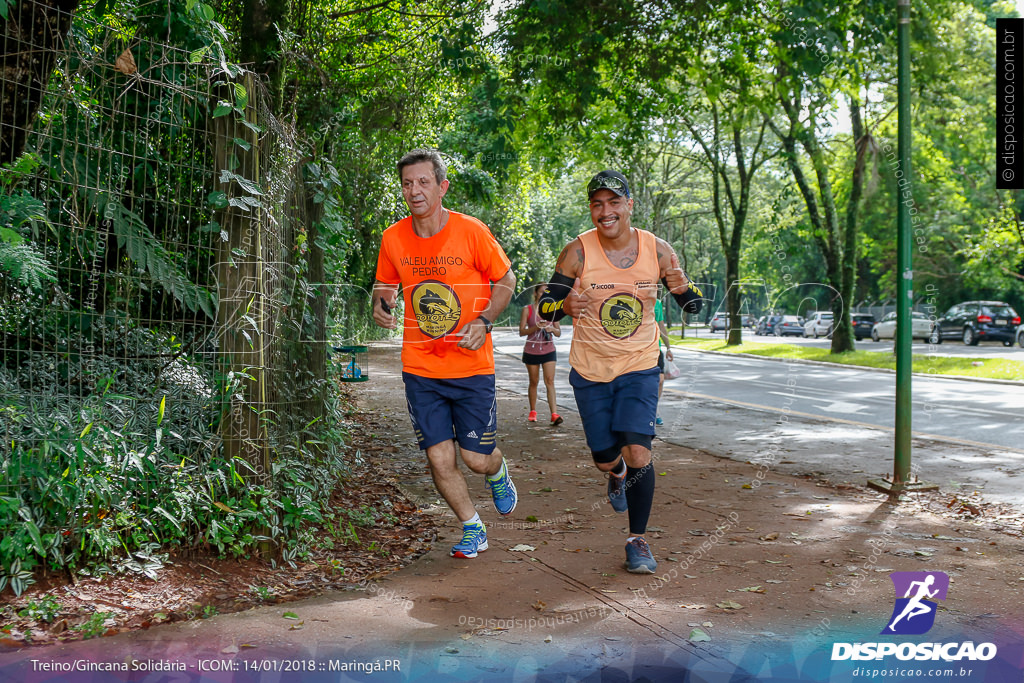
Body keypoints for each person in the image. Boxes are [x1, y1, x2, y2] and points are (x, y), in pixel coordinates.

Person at [537, 170, 703, 574]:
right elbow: (545, 308)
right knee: (604, 457)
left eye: (614, 202)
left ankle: (638, 540)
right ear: (592, 210)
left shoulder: (658, 250)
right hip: (591, 368)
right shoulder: (577, 252)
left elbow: (694, 306)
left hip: (640, 365)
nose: (605, 211)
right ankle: (616, 475)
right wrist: (563, 307)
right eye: (597, 204)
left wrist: (685, 289)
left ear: (629, 205)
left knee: (639, 448)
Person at [372, 148, 518, 560]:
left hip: (471, 367)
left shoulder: (471, 232)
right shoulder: (392, 238)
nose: (414, 191)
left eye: (423, 182)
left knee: (475, 459)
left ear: (441, 186)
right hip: (421, 367)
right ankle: (473, 527)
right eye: (407, 183)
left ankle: (498, 469)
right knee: (439, 458)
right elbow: (383, 288)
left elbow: (505, 280)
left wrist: (485, 320)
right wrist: (381, 306)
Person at [519, 285, 563, 426]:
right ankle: (533, 411)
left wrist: (551, 329)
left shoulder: (553, 309)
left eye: (547, 292)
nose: (544, 294)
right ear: (536, 293)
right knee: (534, 381)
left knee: (549, 380)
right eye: (542, 292)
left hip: (549, 349)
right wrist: (536, 327)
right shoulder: (528, 309)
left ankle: (554, 414)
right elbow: (521, 331)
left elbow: (558, 332)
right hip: (531, 351)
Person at [654, 297, 674, 426]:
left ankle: (654, 410)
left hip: (656, 348)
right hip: (638, 349)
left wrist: (669, 348)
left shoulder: (657, 303)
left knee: (660, 381)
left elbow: (661, 325)